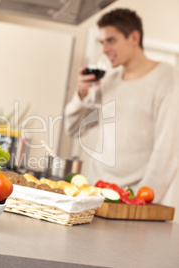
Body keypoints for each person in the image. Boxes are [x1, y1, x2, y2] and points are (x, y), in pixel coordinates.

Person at [64, 8, 179, 203]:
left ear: (134, 37)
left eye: (111, 40)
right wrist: (81, 94)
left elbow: (167, 150)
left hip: (132, 198)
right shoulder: (109, 80)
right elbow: (73, 129)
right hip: (94, 192)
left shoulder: (167, 78)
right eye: (102, 42)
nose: (105, 49)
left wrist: (144, 200)